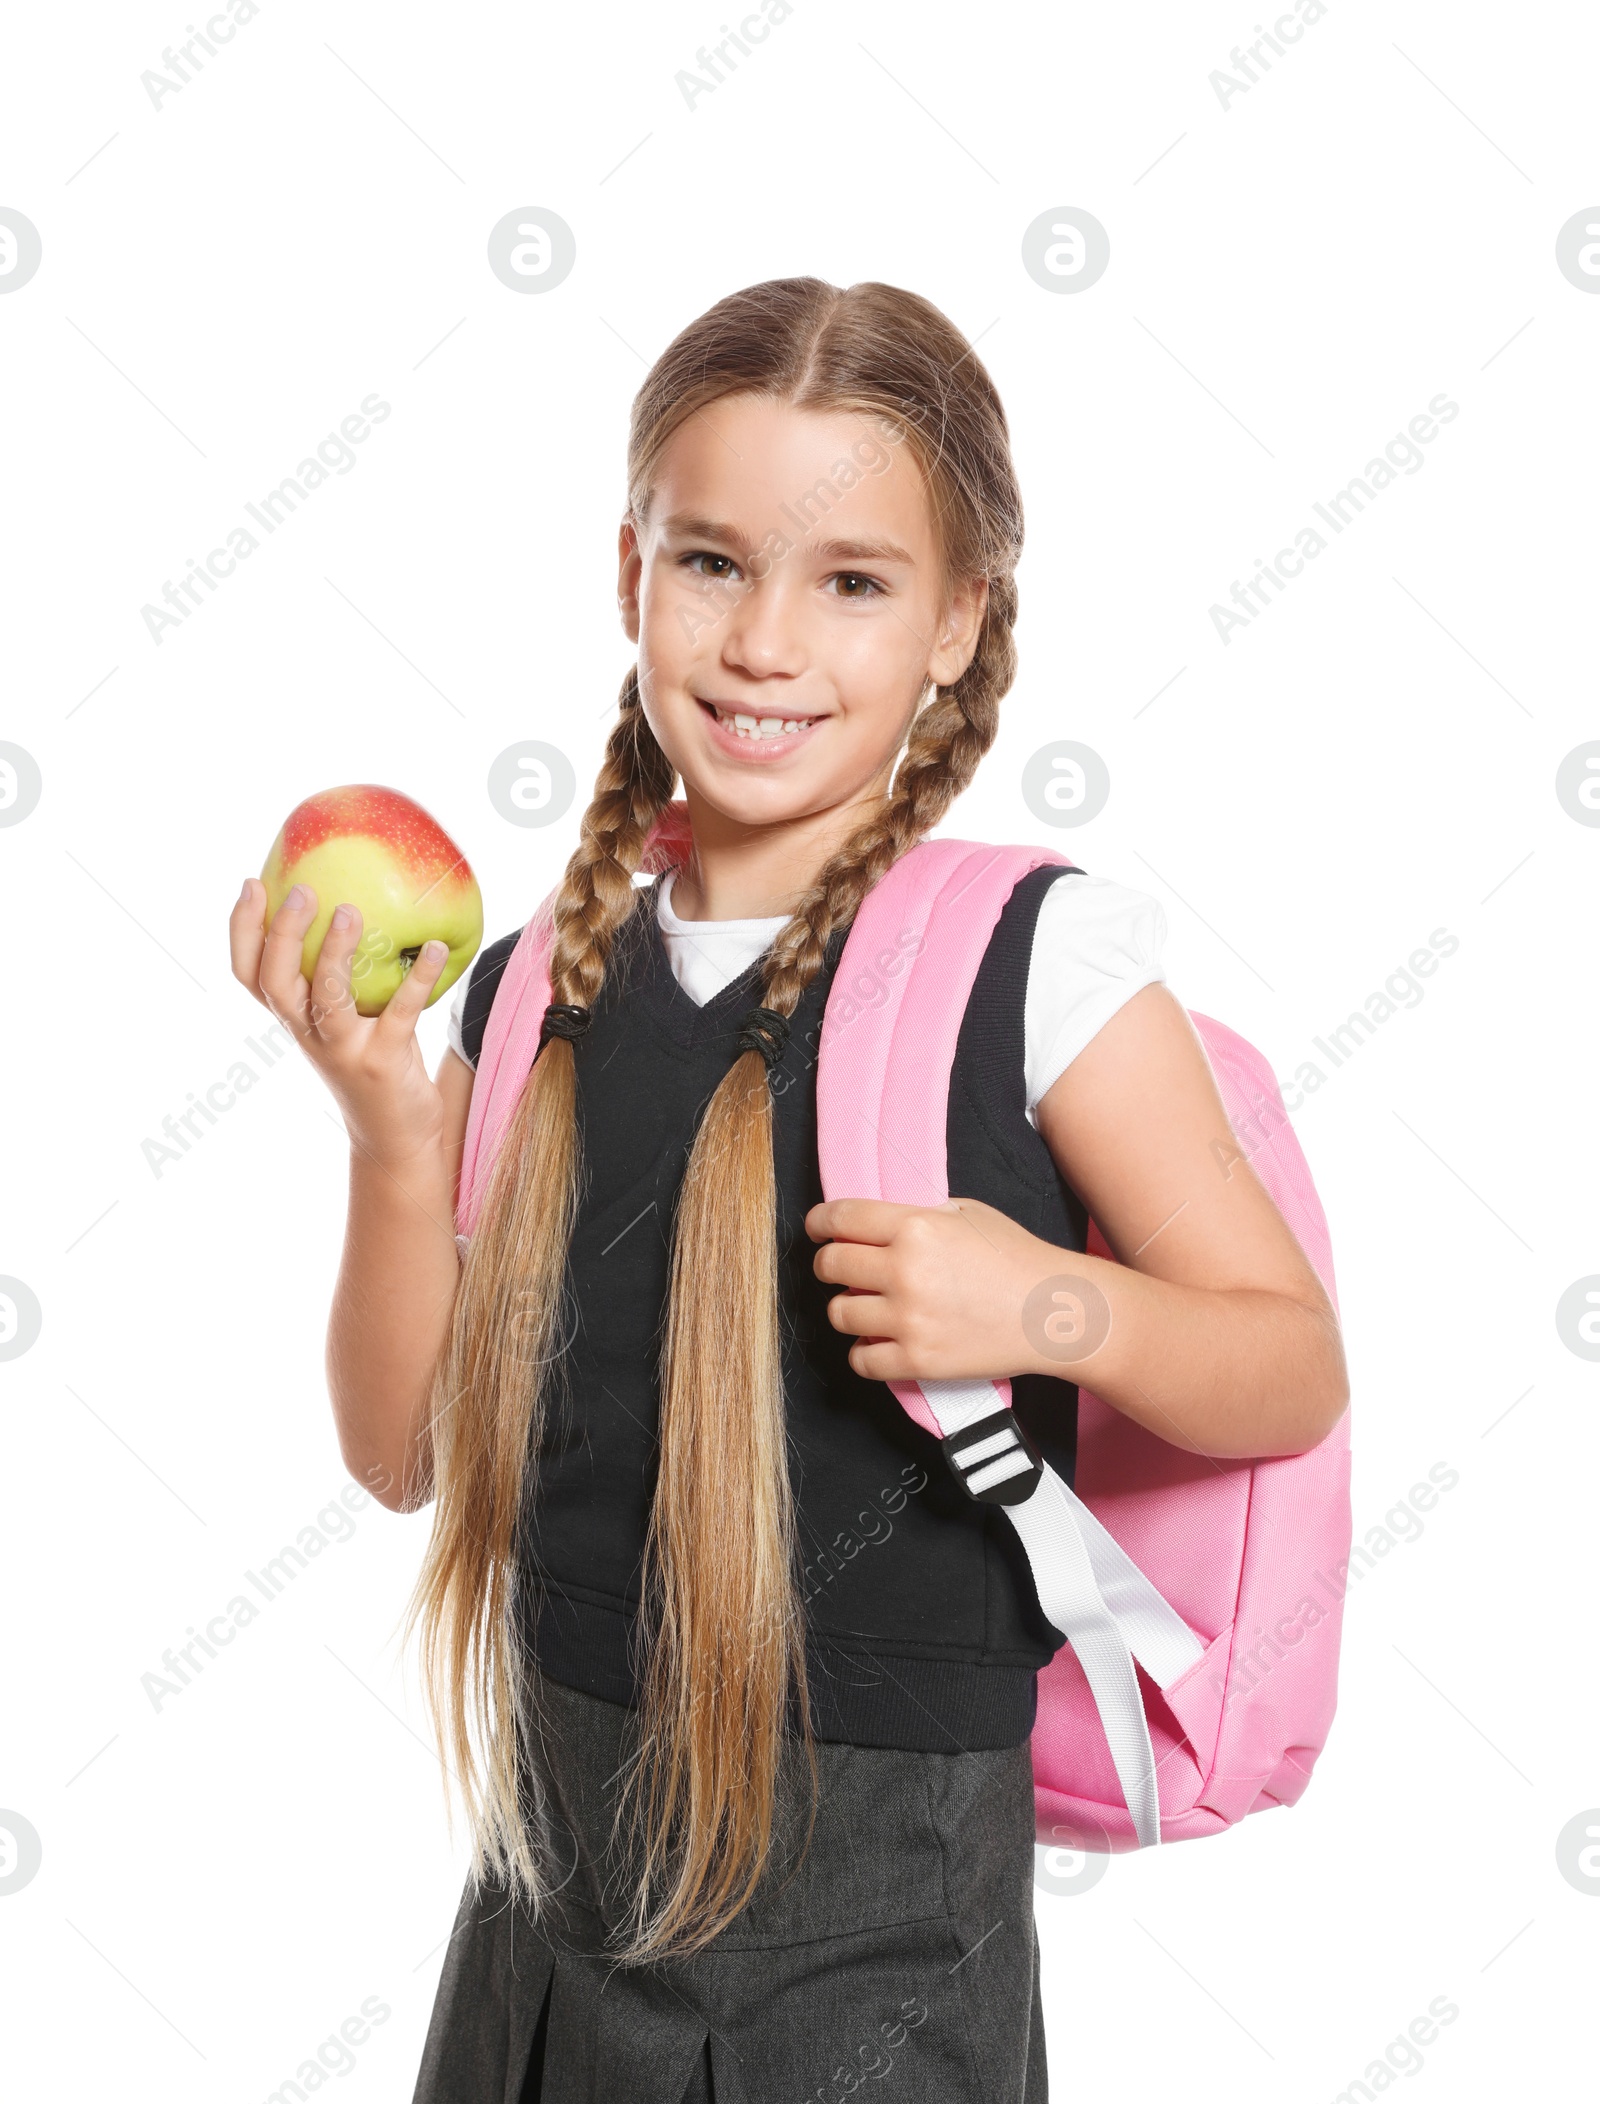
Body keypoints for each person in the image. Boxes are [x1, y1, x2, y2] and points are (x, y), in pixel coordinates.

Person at [229, 276, 1348, 2103]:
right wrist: (385, 1130)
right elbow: (401, 1453)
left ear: (956, 622)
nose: (765, 642)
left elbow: (1289, 1364)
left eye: (852, 582)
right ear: (627, 578)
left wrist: (1044, 1305)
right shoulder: (526, 990)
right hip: (551, 1896)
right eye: (712, 562)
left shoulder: (1041, 969)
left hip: (884, 1925)